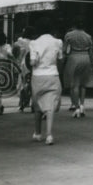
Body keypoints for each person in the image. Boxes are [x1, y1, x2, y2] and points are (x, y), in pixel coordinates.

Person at [29, 16, 64, 145]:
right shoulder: (58, 42)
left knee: (37, 104)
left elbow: (33, 62)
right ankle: (49, 135)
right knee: (50, 106)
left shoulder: (33, 43)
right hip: (53, 75)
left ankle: (37, 133)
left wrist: (35, 59)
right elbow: (60, 58)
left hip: (38, 76)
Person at [62, 18, 93, 117]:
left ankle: (76, 107)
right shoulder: (88, 36)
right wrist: (92, 62)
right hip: (85, 58)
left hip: (74, 57)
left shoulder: (69, 35)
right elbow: (91, 51)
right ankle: (82, 105)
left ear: (74, 25)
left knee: (75, 84)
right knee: (83, 84)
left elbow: (65, 50)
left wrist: (64, 59)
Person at [12, 27, 33, 112]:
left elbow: (14, 53)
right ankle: (31, 103)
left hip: (23, 64)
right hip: (32, 64)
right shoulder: (34, 43)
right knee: (31, 84)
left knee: (23, 83)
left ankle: (21, 104)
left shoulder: (19, 42)